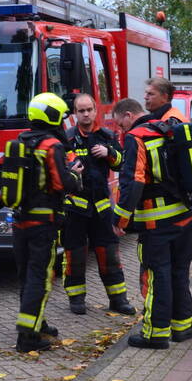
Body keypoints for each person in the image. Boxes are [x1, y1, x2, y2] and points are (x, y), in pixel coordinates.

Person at [112, 97, 192, 349]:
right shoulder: (168, 129)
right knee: (180, 272)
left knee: (157, 276)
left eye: (120, 125)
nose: (121, 131)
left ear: (128, 116)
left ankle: (155, 334)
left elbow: (132, 183)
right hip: (185, 216)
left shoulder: (137, 137)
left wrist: (120, 220)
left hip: (157, 223)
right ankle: (183, 327)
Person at [8, 92, 83, 353]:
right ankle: (27, 338)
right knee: (39, 278)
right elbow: (62, 184)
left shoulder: (22, 140)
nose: (63, 123)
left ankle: (37, 324)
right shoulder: (51, 145)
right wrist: (75, 175)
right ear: (51, 116)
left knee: (27, 276)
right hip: (43, 224)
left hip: (20, 222)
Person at [62, 93, 135, 316]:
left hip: (102, 208)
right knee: (75, 254)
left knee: (109, 254)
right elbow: (59, 167)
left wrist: (109, 152)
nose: (85, 114)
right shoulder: (66, 138)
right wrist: (70, 167)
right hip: (75, 208)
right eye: (80, 110)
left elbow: (122, 163)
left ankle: (118, 299)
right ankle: (76, 299)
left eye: (88, 110)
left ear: (95, 111)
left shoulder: (107, 135)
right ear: (74, 114)